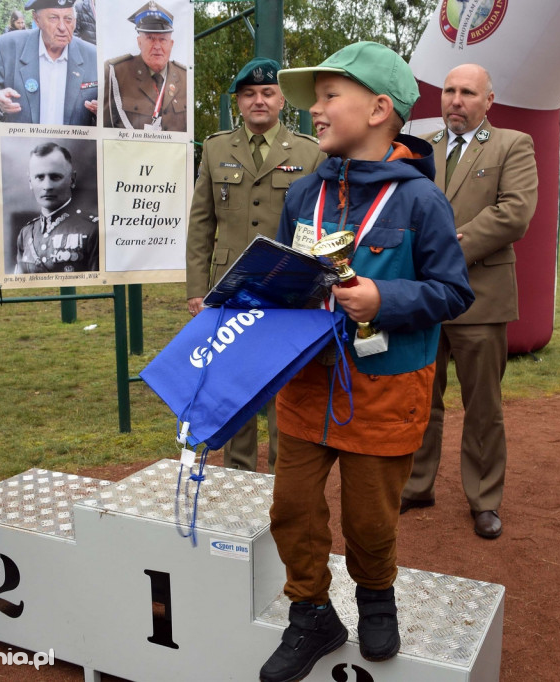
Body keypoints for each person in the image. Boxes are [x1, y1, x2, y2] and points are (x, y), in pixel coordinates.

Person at [258, 42, 474, 682]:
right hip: (306, 382)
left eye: (329, 97)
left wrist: (386, 297)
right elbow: (293, 269)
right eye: (316, 99)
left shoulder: (420, 201)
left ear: (380, 109)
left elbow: (454, 291)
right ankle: (311, 612)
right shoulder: (304, 194)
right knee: (291, 508)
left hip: (384, 385)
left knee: (369, 518)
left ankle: (376, 595)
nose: (315, 112)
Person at [400, 63, 538, 540]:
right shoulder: (421, 149)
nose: (455, 100)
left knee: (483, 406)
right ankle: (417, 485)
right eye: (449, 91)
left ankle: (484, 499)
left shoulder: (512, 145)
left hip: (481, 297)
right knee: (421, 398)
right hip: (425, 299)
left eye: (467, 93)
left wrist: (444, 246)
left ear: (488, 101)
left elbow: (514, 213)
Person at [185, 57, 324, 473]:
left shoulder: (309, 152)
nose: (258, 100)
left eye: (267, 93)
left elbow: (314, 226)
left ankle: (286, 475)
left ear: (282, 99)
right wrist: (197, 288)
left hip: (286, 287)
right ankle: (238, 474)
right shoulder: (215, 148)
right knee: (232, 381)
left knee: (284, 381)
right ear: (238, 102)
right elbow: (200, 222)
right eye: (249, 94)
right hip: (229, 286)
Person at [0, 0, 98, 126]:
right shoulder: (6, 47)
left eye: (68, 19)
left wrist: (102, 112)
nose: (62, 27)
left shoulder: (94, 56)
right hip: (21, 143)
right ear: (36, 19)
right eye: (54, 18)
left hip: (73, 145)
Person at [14, 141, 98, 274]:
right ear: (30, 182)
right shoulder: (26, 233)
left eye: (55, 177)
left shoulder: (92, 229)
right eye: (39, 177)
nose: (47, 186)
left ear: (72, 179)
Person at [103, 1, 187, 133]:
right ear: (139, 42)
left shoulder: (185, 77)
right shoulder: (116, 73)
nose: (157, 46)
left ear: (171, 44)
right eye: (151, 38)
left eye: (162, 39)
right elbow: (106, 128)